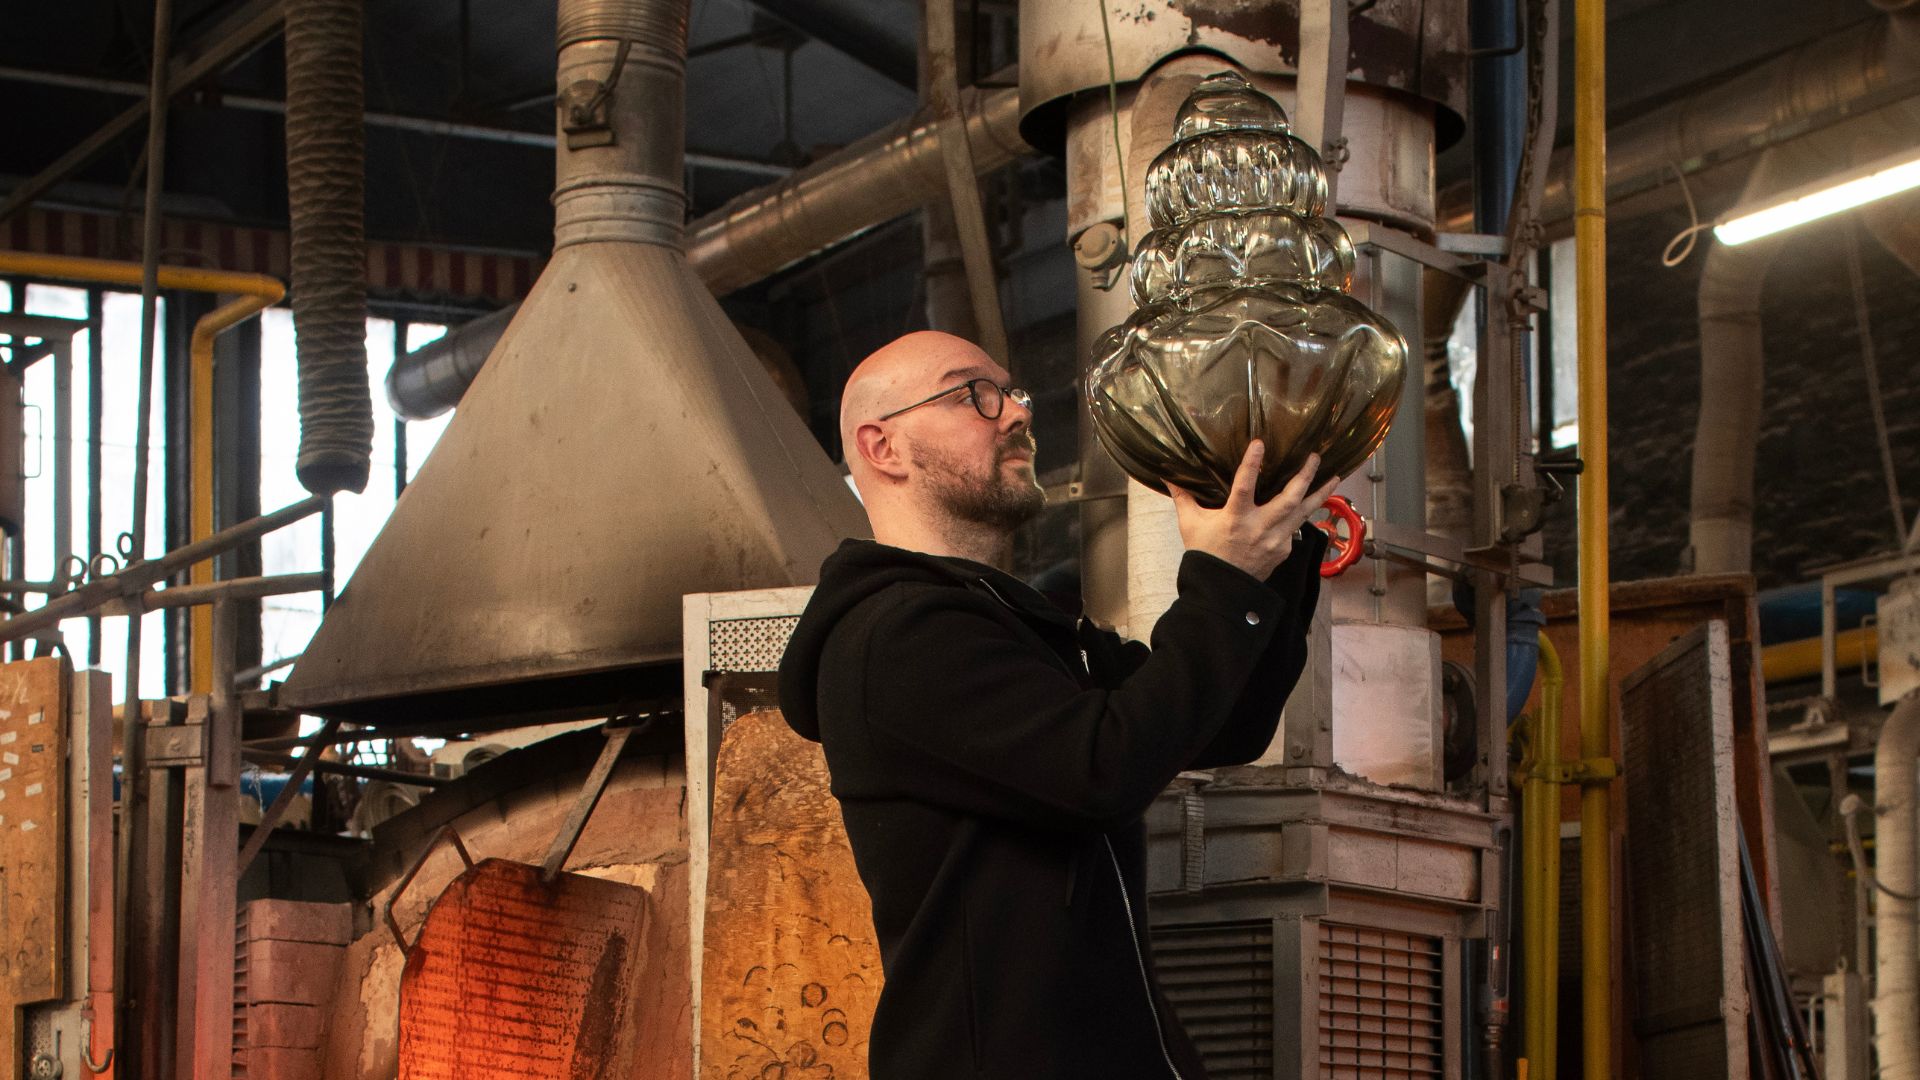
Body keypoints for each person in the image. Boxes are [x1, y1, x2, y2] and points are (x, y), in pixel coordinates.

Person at [778, 330, 1337, 1078]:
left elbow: (1221, 721)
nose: (1014, 413)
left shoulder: (1017, 627)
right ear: (883, 449)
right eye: (972, 394)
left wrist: (1270, 546)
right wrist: (1222, 581)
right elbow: (1102, 769)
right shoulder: (897, 635)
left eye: (1013, 393)